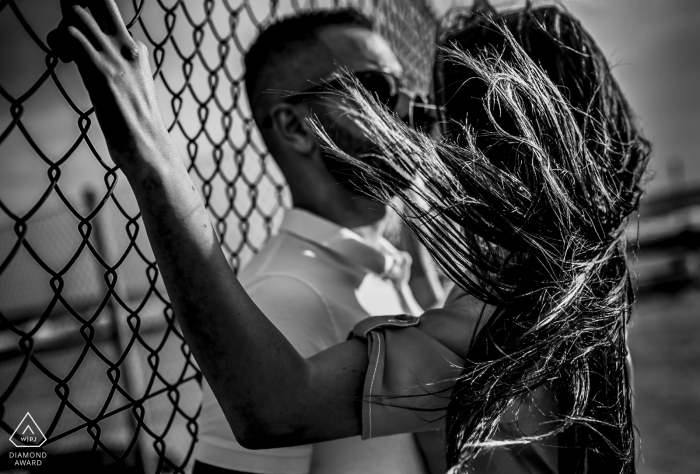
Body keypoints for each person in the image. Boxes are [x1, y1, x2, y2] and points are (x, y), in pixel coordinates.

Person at [48, 1, 649, 473]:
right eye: (381, 91)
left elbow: (275, 408)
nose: (417, 116)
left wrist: (155, 159)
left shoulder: (498, 311)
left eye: (441, 111)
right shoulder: (582, 281)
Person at [189, 9, 440, 474]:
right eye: (377, 89)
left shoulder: (377, 262)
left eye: (407, 90)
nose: (411, 109)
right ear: (295, 127)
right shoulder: (285, 298)